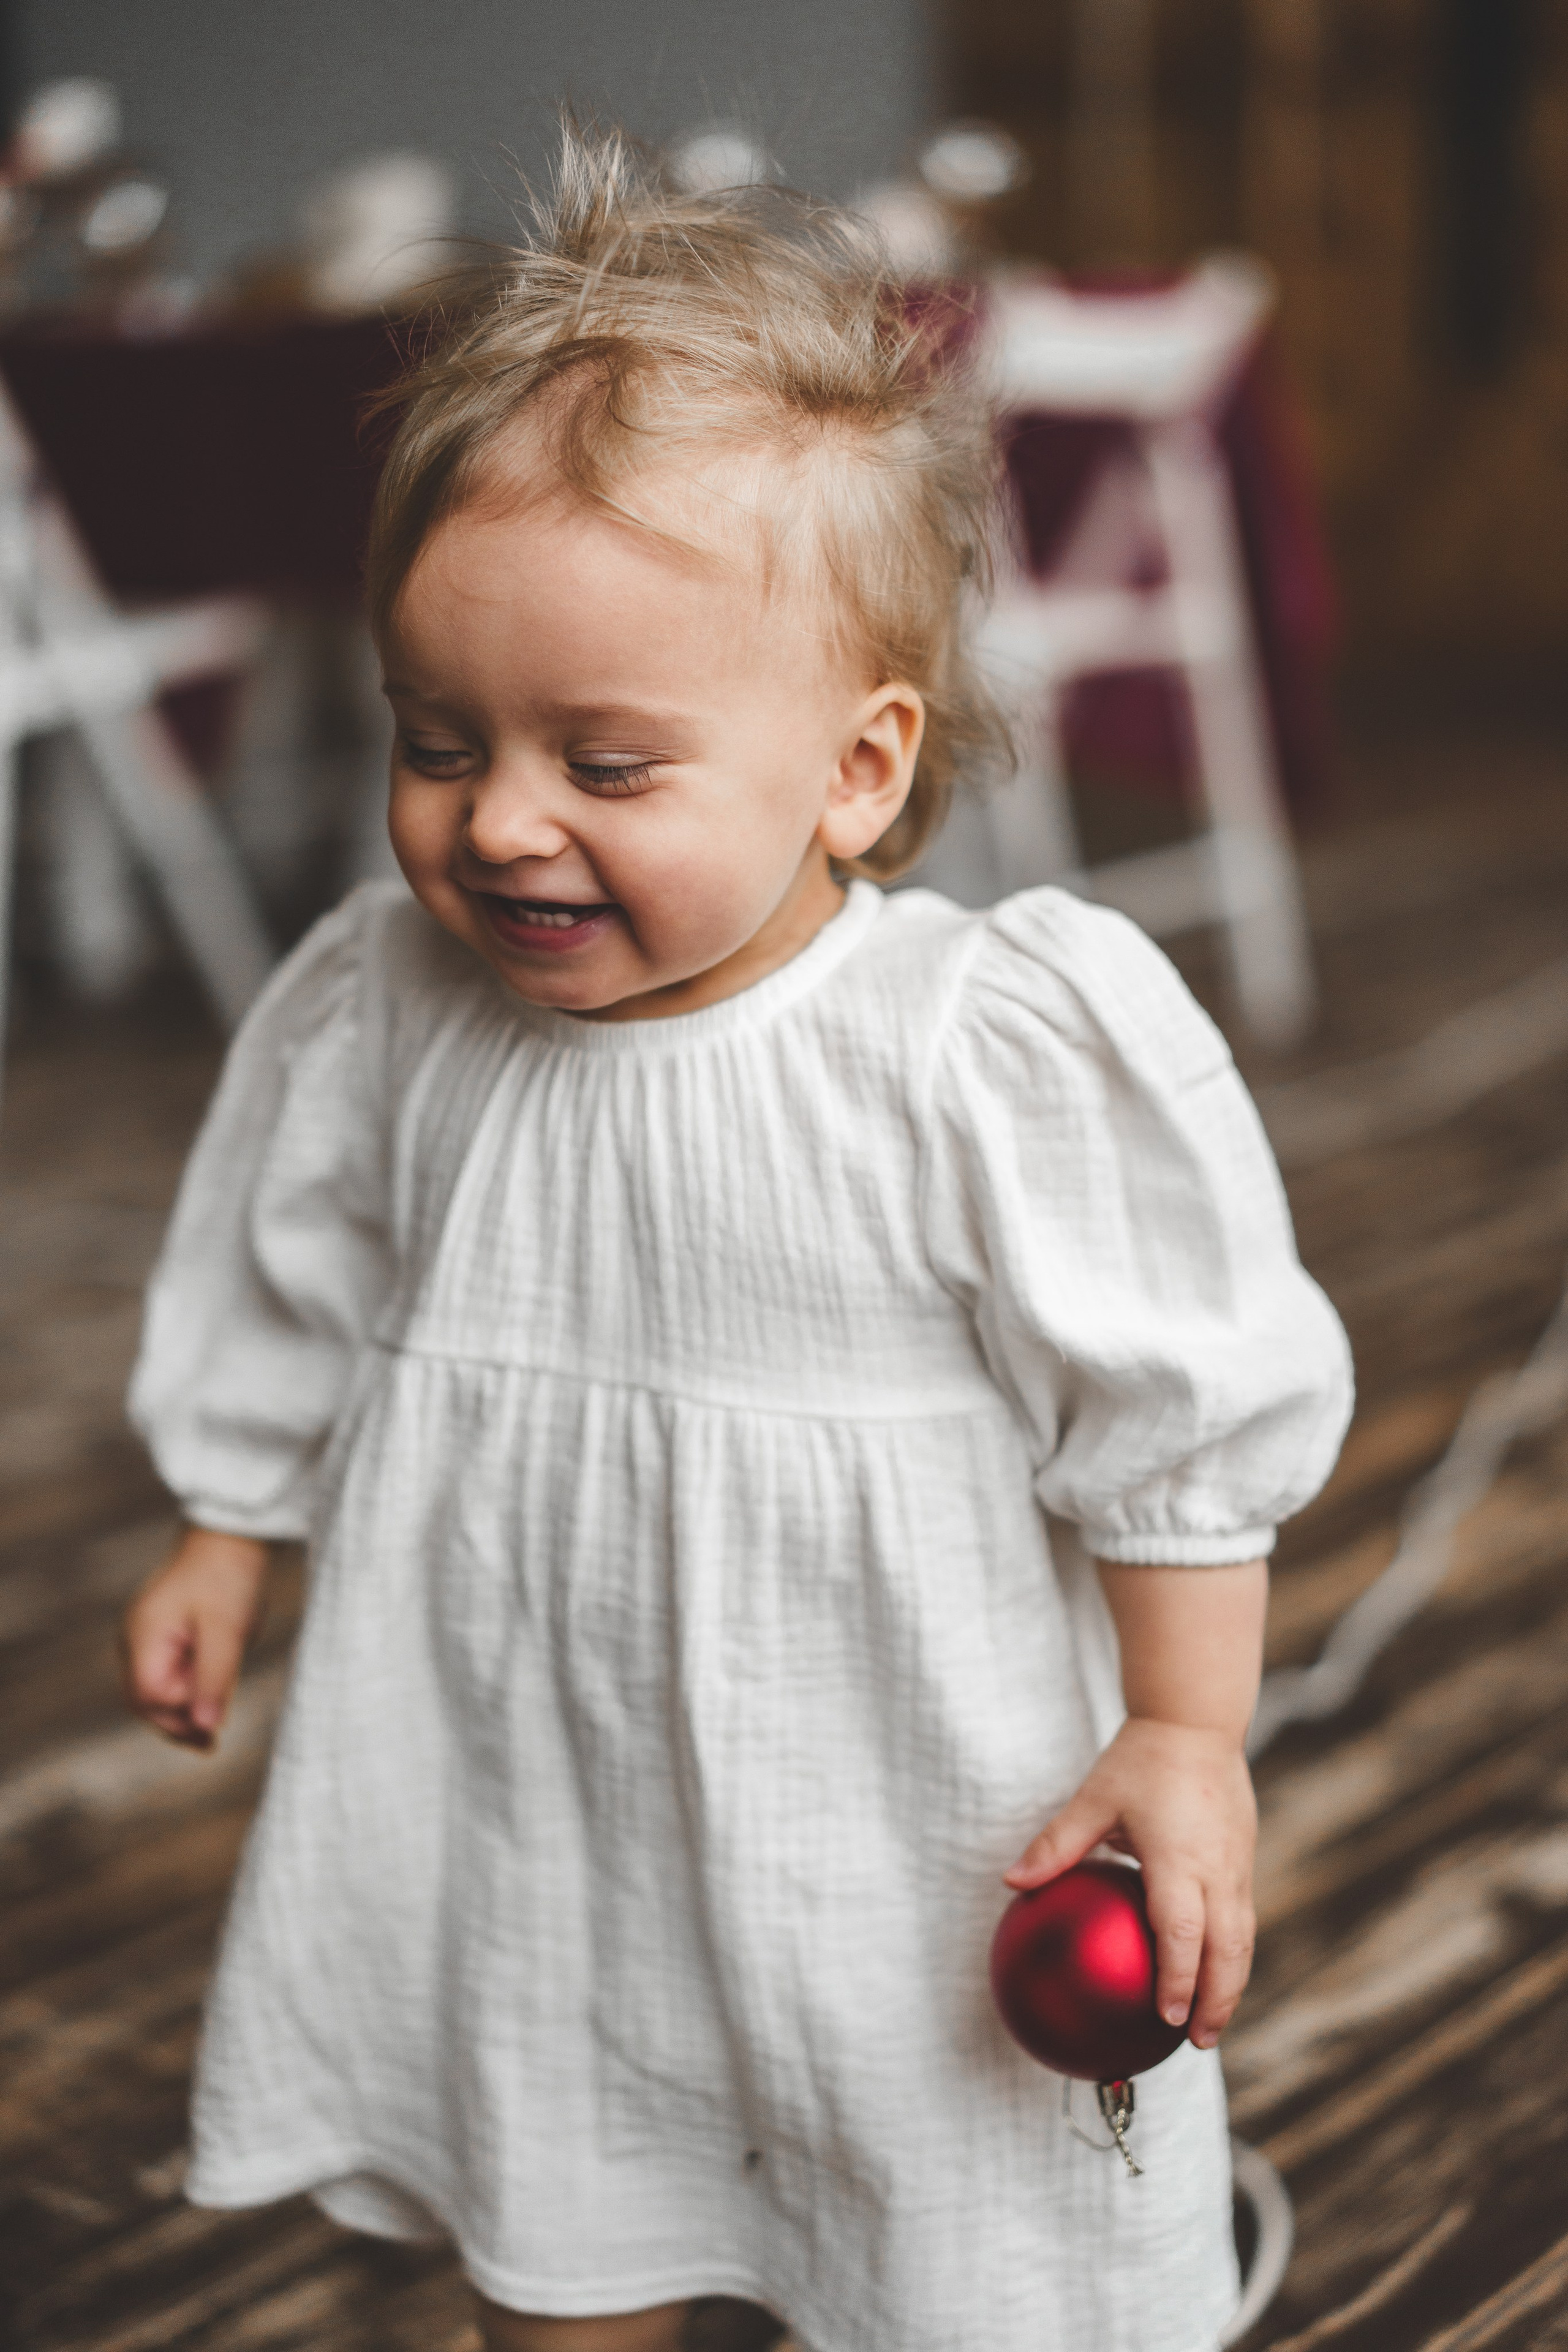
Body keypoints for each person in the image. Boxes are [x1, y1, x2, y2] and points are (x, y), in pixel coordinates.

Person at [120, 124, 1352, 2352]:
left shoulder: (970, 1047)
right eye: (437, 740)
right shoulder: (385, 1004)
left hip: (890, 1813)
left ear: (857, 769)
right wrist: (233, 1517)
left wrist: (1186, 1733)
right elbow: (303, 1257)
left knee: (948, 2237)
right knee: (562, 2184)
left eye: (607, 766)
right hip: (526, 1780)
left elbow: (1167, 1413)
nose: (502, 823)